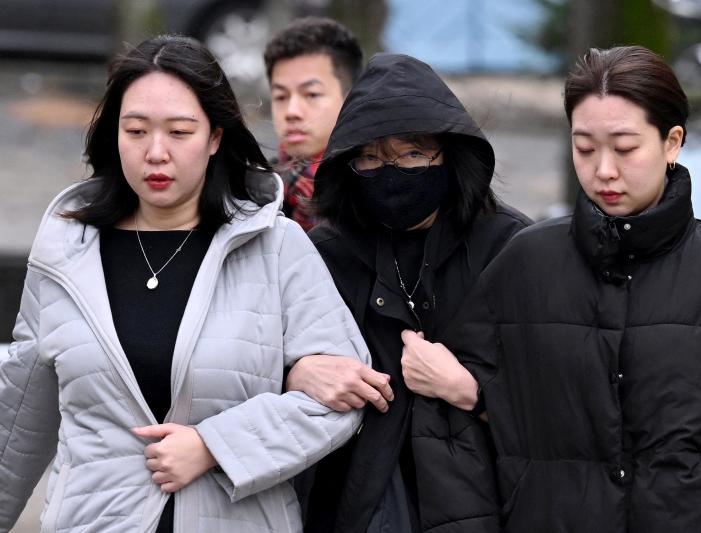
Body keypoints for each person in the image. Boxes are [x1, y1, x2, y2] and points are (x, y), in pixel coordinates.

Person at [409, 45, 701, 532]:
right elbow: (456, 438)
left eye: (625, 147)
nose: (604, 170)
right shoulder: (524, 266)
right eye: (585, 148)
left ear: (672, 142)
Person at [0, 34, 369, 533]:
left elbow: (340, 399)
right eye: (135, 131)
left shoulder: (277, 244)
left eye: (179, 131)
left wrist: (216, 446)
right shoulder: (65, 251)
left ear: (215, 137)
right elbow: (19, 415)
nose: (156, 153)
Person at [284, 53, 531, 533]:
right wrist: (297, 373)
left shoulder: (510, 247)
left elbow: (556, 399)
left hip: (484, 499)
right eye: (371, 158)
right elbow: (253, 366)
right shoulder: (324, 253)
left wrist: (469, 392)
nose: (392, 171)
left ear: (449, 153)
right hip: (355, 496)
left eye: (413, 154)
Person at [264, 16, 363, 231]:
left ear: (352, 99)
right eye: (281, 96)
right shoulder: (258, 193)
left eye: (311, 94)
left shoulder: (373, 189)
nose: (291, 111)